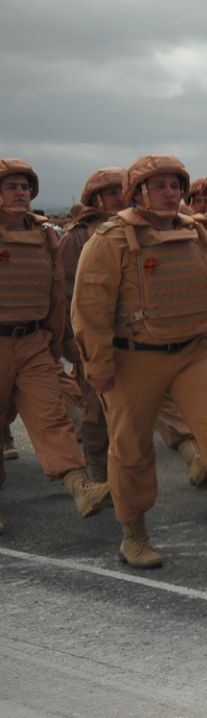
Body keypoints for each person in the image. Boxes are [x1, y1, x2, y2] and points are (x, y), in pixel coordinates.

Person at [70, 154, 207, 567]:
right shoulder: (110, 240)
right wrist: (100, 367)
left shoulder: (194, 234)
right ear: (139, 193)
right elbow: (89, 308)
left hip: (195, 351)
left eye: (175, 185)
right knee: (130, 448)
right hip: (135, 357)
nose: (170, 193)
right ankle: (134, 533)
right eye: (160, 186)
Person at [0, 158, 113, 529]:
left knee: (51, 417)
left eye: (24, 186)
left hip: (33, 340)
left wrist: (60, 339)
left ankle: (79, 485)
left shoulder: (44, 235)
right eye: (11, 186)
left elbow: (57, 291)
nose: (20, 192)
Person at [58, 166, 127, 482]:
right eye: (112, 192)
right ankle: (99, 473)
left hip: (133, 336)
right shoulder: (78, 236)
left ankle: (126, 471)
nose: (120, 197)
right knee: (95, 410)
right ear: (95, 198)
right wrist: (71, 339)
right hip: (94, 336)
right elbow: (67, 291)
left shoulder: (137, 230)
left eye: (122, 191)